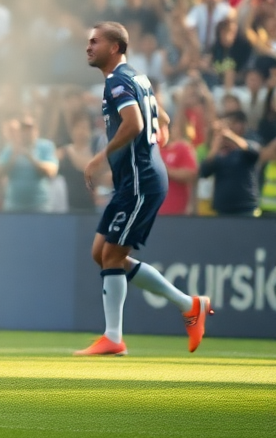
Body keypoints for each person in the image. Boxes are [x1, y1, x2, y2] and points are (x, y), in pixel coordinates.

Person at [77, 22, 211, 357]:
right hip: (134, 179)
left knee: (111, 255)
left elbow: (135, 123)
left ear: (115, 47)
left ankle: (113, 337)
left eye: (95, 42)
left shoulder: (118, 80)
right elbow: (158, 116)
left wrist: (99, 157)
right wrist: (162, 127)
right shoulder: (135, 77)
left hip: (141, 180)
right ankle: (188, 304)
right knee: (101, 253)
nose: (89, 47)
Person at [201, 111, 262, 218]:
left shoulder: (247, 144)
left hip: (245, 208)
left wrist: (229, 135)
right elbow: (204, 172)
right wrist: (215, 147)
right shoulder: (218, 154)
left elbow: (253, 152)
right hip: (222, 209)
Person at [0, 117, 59, 212]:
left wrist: (30, 157)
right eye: (23, 130)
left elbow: (51, 171)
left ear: (36, 131)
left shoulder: (45, 146)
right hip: (14, 207)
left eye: (30, 129)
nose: (27, 133)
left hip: (39, 207)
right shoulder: (11, 148)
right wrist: (13, 157)